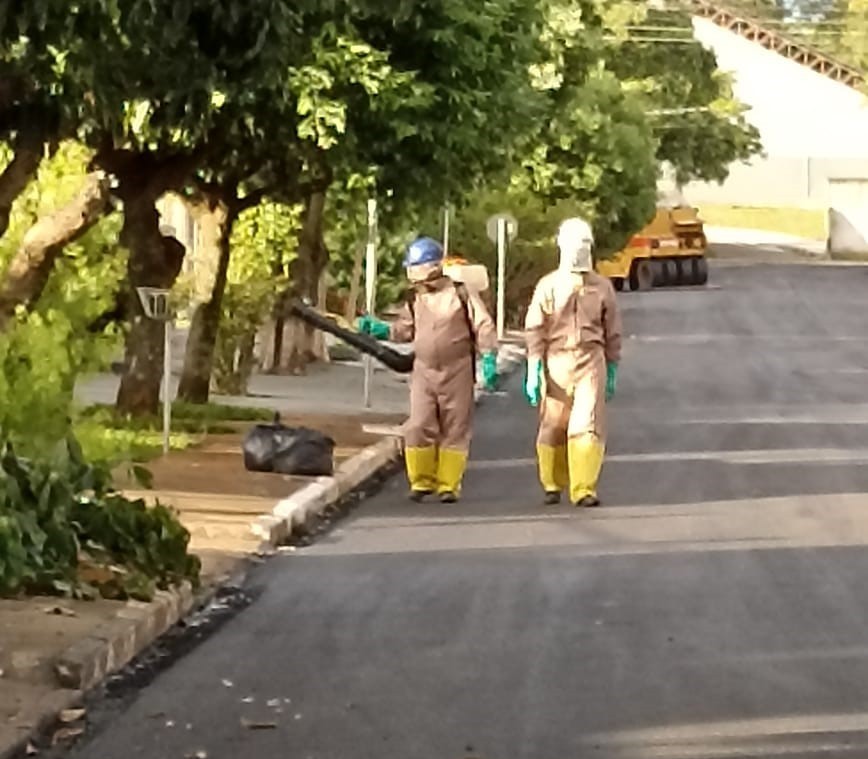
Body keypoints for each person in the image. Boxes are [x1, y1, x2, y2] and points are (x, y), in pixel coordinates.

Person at [358, 236, 498, 503]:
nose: (411, 273)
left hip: (458, 370)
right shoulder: (415, 298)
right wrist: (380, 329)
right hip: (423, 370)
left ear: (432, 266)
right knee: (418, 424)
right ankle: (421, 481)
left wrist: (489, 357)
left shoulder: (460, 293)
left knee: (455, 427)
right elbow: (404, 330)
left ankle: (448, 485)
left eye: (414, 267)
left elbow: (483, 325)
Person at [523, 217, 622, 507]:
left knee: (587, 424)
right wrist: (533, 366)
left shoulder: (602, 287)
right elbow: (535, 328)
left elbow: (613, 330)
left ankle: (583, 489)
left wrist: (612, 366)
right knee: (553, 425)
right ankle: (552, 484)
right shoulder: (549, 285)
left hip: (591, 361)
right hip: (556, 362)